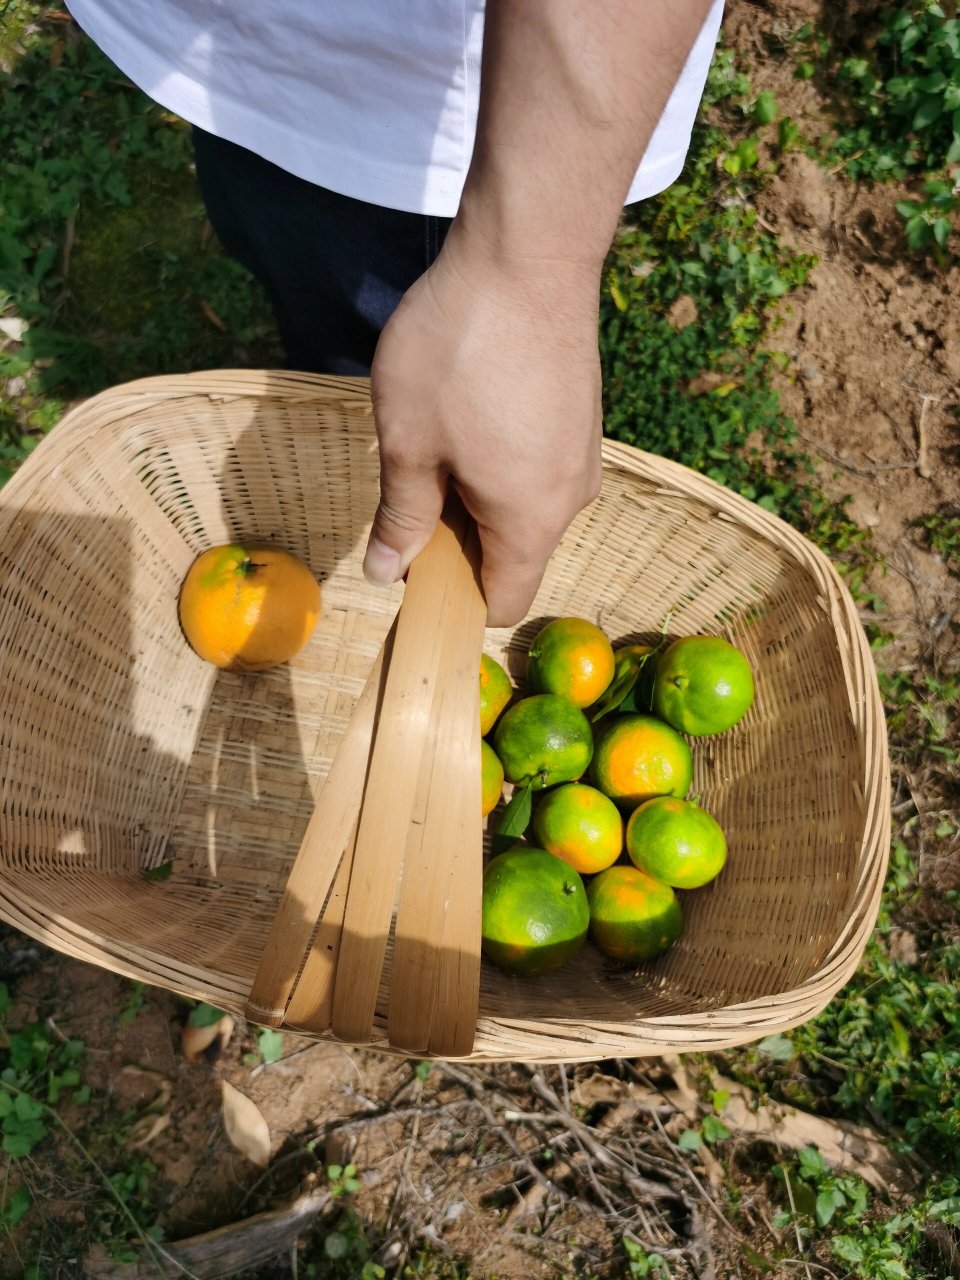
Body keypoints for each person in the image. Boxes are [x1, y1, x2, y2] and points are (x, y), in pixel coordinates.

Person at [65, 1, 724, 626]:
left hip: (423, 113)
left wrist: (528, 271)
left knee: (400, 385)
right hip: (231, 62)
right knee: (293, 281)